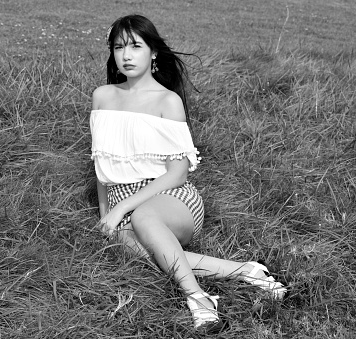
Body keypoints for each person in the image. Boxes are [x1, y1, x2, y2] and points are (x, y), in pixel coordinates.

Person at [90, 14, 286, 332]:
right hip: (121, 204)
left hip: (170, 198)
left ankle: (199, 299)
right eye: (118, 47)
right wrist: (105, 214)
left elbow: (178, 173)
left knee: (144, 220)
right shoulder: (103, 97)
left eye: (135, 46)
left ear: (153, 52)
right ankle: (245, 270)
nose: (126, 55)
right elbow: (102, 164)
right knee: (142, 251)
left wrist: (122, 209)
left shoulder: (168, 101)